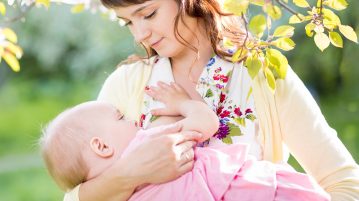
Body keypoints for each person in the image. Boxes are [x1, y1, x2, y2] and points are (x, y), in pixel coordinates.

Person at [65, 0, 359, 201]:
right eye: (128, 21)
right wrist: (130, 173)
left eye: (149, 14)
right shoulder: (126, 84)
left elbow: (344, 183)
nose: (140, 34)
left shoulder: (260, 72)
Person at [40, 82, 330, 200]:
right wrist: (183, 103)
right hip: (251, 188)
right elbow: (206, 124)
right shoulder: (149, 140)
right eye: (121, 119)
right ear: (101, 147)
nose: (132, 120)